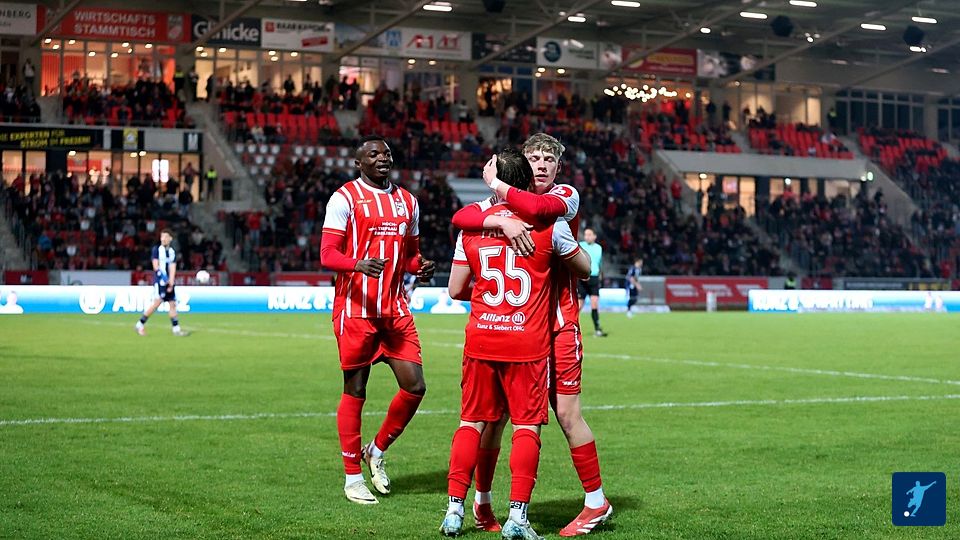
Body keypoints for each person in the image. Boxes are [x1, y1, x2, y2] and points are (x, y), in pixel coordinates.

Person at [451, 133, 613, 537]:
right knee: (496, 418)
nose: (542, 165)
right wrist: (500, 218)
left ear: (558, 168)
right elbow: (462, 217)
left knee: (566, 414)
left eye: (549, 160)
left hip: (558, 325)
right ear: (524, 164)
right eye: (534, 158)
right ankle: (483, 502)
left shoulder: (563, 197)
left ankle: (596, 502)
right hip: (520, 327)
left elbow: (536, 209)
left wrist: (497, 191)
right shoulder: (499, 209)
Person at [319, 135, 435, 505]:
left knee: (415, 386)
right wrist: (358, 264)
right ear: (359, 163)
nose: (383, 158)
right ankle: (352, 478)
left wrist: (420, 266)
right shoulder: (345, 198)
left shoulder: (408, 201)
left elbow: (410, 255)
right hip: (356, 310)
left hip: (395, 310)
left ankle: (376, 449)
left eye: (386, 153)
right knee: (355, 390)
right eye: (373, 154)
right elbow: (327, 254)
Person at [135, 229, 183, 336]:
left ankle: (176, 329)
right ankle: (140, 324)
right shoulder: (156, 250)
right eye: (162, 237)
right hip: (160, 282)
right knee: (157, 303)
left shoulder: (172, 251)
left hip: (169, 282)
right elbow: (156, 267)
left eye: (165, 237)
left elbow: (173, 267)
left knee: (172, 304)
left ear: (170, 238)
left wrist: (171, 282)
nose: (163, 239)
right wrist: (165, 280)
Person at [579, 228, 607, 337]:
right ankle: (571, 328)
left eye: (589, 234)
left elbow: (599, 263)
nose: (587, 237)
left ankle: (597, 328)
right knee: (579, 305)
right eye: (586, 234)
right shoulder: (580, 245)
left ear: (595, 236)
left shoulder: (599, 248)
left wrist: (601, 274)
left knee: (594, 304)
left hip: (594, 278)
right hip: (582, 278)